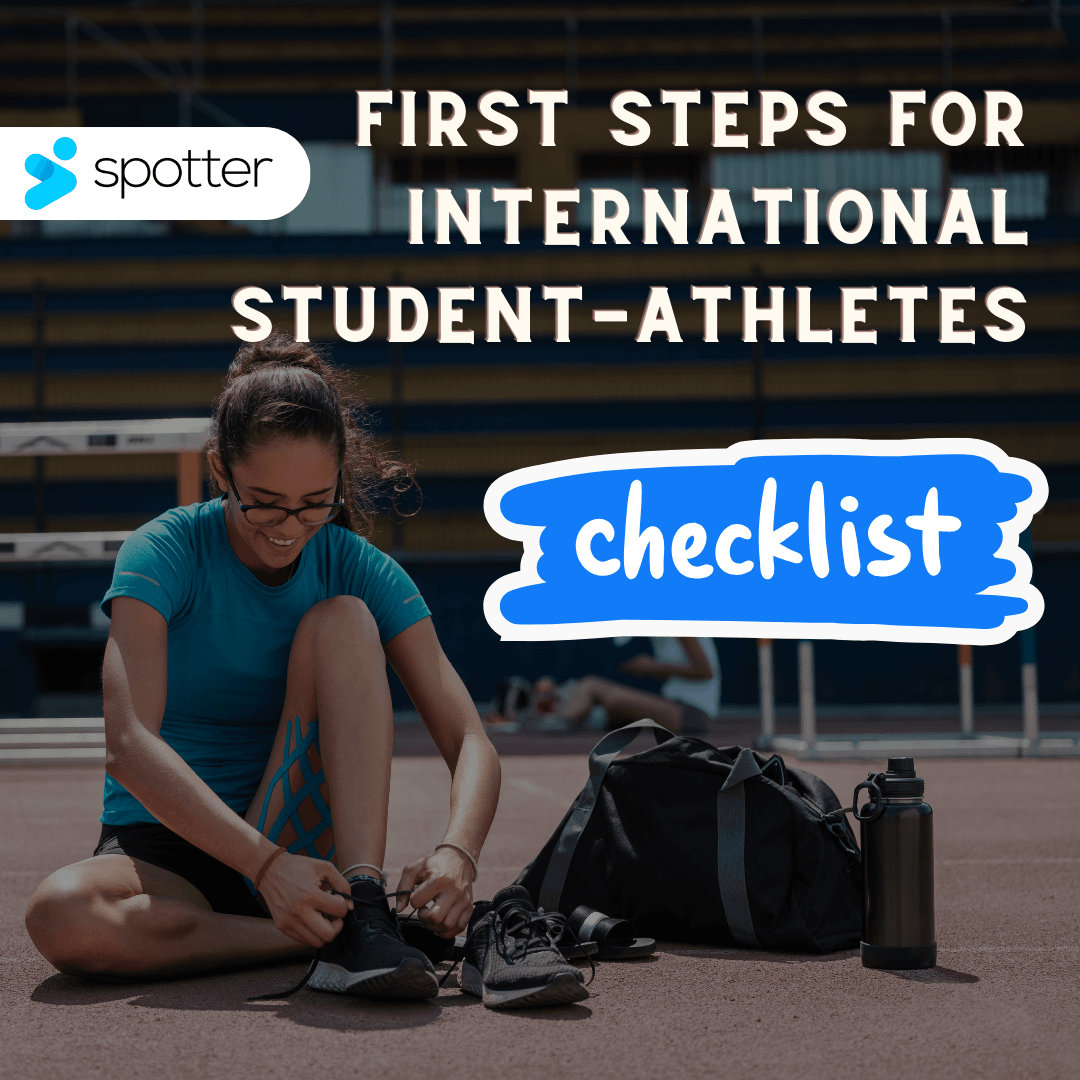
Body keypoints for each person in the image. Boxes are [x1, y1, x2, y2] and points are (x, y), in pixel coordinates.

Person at [24, 332, 501, 999]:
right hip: (167, 848)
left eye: (315, 503)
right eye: (266, 502)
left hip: (299, 839)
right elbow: (130, 745)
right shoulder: (165, 551)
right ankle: (329, 937)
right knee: (62, 917)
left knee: (344, 622)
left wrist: (459, 850)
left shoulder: (356, 566)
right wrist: (264, 866)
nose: (289, 526)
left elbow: (469, 738)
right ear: (221, 471)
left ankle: (361, 899)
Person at [489, 638, 719, 734]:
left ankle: (556, 721)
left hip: (691, 713)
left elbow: (705, 671)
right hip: (677, 707)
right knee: (593, 703)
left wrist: (652, 667)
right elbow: (677, 674)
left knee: (591, 685)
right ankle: (545, 717)